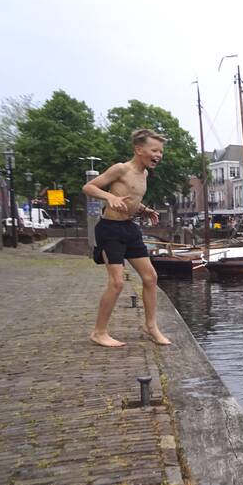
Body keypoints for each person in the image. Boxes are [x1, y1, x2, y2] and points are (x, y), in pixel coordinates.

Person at [83, 128, 171, 348]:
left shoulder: (145, 174)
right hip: (110, 229)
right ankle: (99, 332)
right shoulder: (121, 168)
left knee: (150, 277)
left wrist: (143, 209)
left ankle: (150, 326)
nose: (159, 155)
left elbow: (130, 197)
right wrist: (109, 196)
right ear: (139, 149)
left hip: (129, 228)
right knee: (117, 282)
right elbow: (89, 187)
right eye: (154, 150)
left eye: (160, 151)